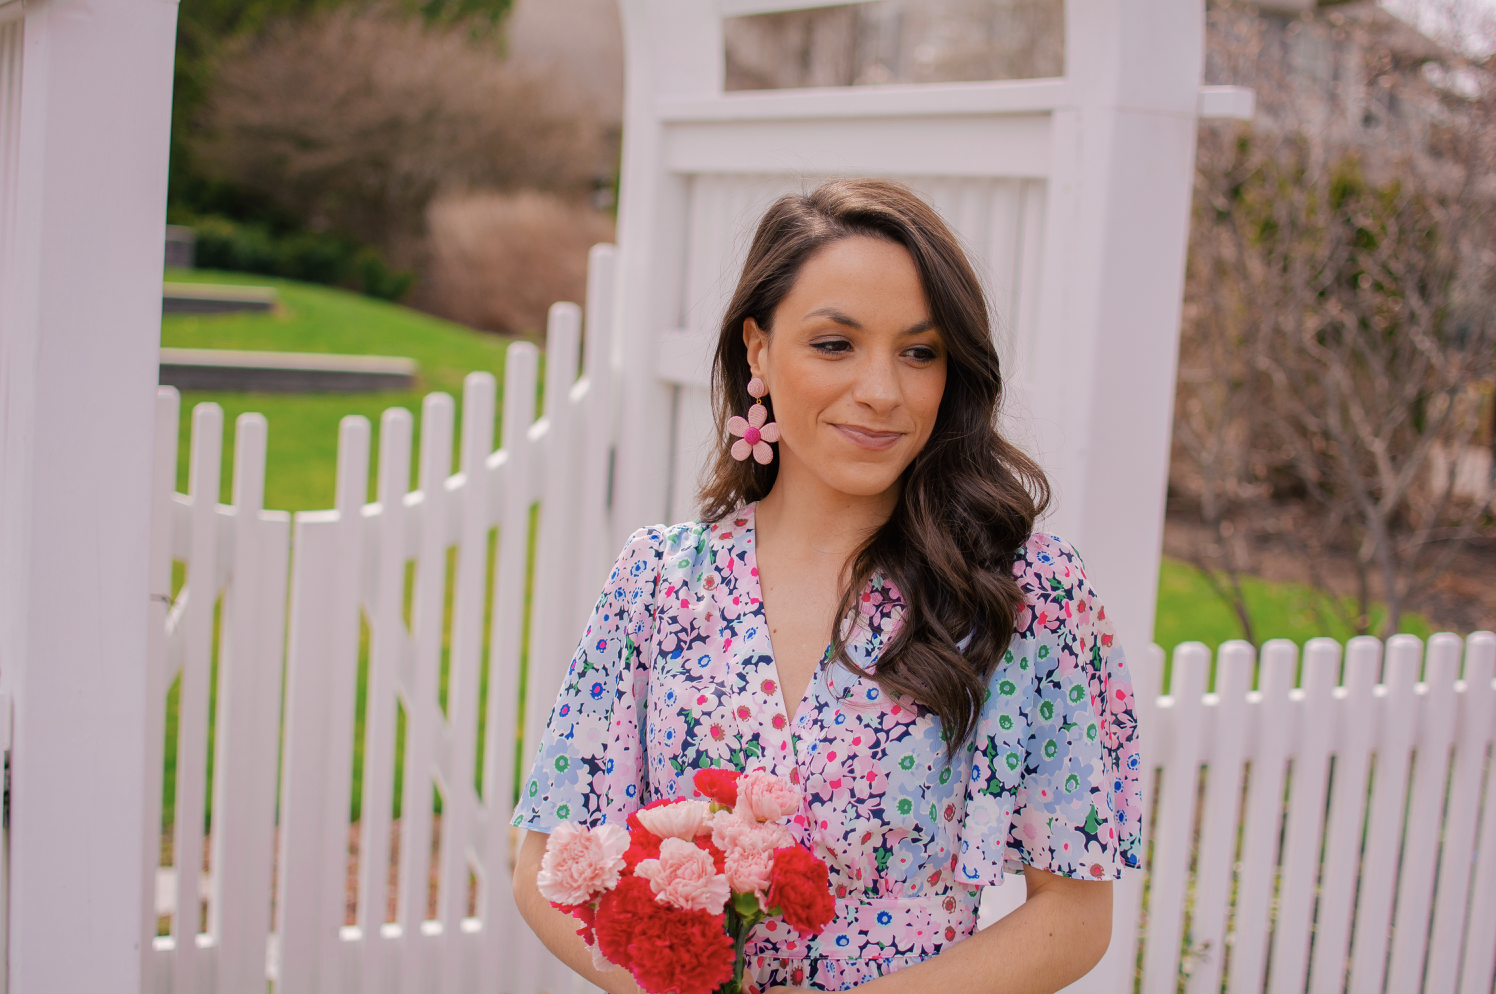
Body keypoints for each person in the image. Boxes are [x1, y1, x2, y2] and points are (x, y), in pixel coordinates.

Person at [511, 178, 1143, 993]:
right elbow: (544, 868)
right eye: (835, 344)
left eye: (920, 352)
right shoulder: (660, 581)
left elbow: (1076, 914)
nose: (882, 391)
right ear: (758, 350)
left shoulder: (1023, 589)